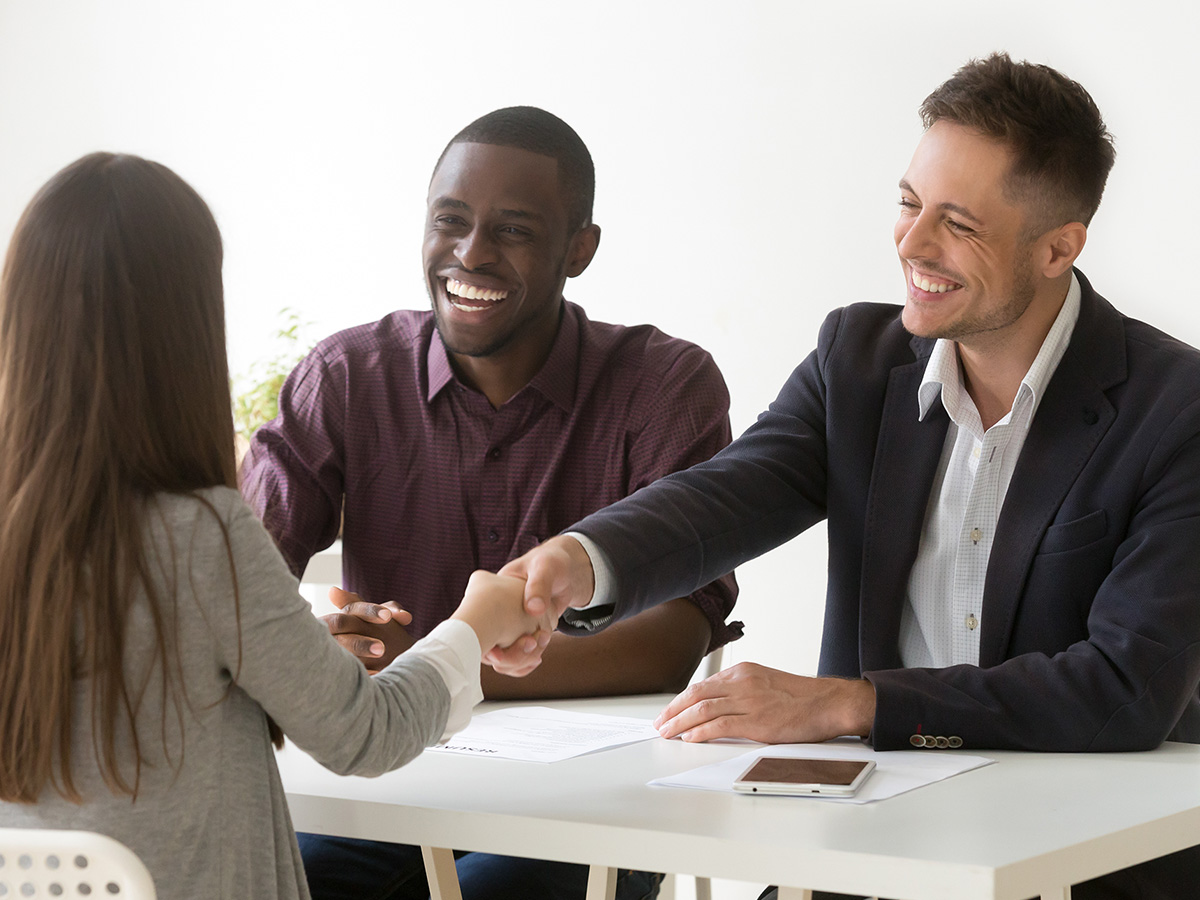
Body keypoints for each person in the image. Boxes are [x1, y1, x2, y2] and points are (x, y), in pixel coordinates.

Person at [499, 54, 1200, 900]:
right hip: (870, 851)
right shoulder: (856, 362)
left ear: (1059, 247)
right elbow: (729, 494)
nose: (912, 243)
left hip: (1082, 860)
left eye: (958, 224)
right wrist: (579, 561)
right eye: (908, 203)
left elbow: (1125, 688)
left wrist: (851, 704)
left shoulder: (1176, 410)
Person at [0, 152, 546, 900]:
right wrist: (475, 624)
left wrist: (286, 650)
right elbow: (367, 734)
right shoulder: (201, 536)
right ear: (184, 328)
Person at [240, 106, 739, 899]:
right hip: (387, 786)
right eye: (450, 221)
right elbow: (236, 587)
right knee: (274, 879)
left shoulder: (664, 387)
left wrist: (429, 663)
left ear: (579, 250)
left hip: (588, 805)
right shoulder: (347, 376)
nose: (471, 253)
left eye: (513, 230)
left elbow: (673, 637)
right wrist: (327, 648)